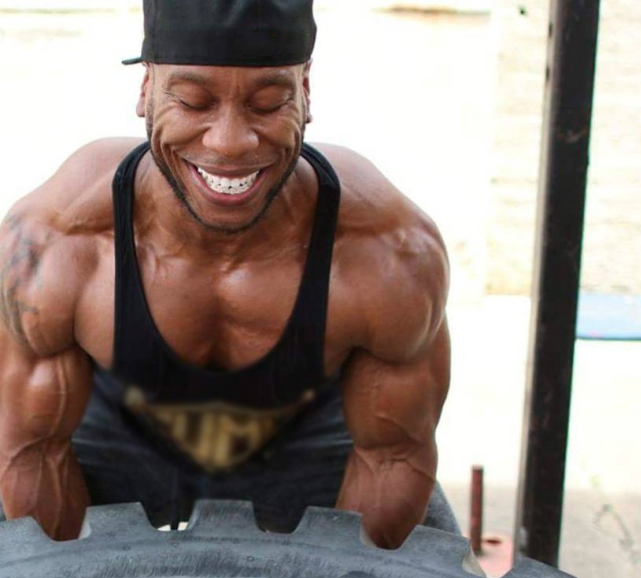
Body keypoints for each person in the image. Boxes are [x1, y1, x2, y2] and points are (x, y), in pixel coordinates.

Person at [0, 0, 458, 548]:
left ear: (305, 92)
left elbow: (390, 457)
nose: (230, 142)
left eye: (268, 103)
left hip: (305, 437)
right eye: (193, 101)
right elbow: (33, 450)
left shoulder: (386, 252)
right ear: (147, 91)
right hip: (118, 432)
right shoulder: (56, 243)